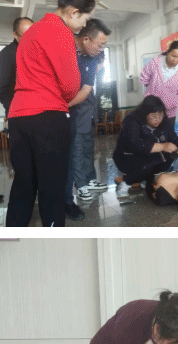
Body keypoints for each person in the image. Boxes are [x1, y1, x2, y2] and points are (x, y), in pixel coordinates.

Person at [6, 0, 95, 227]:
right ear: (74, 12)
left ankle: (11, 236)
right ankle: (54, 239)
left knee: (23, 185)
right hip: (47, 116)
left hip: (18, 116)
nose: (83, 25)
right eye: (85, 19)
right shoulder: (61, 31)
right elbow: (70, 86)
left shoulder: (32, 31)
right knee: (52, 188)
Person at [65, 18, 110, 222]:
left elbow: (86, 91)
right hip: (74, 114)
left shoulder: (91, 61)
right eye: (99, 45)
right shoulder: (68, 52)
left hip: (87, 112)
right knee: (76, 150)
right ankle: (81, 185)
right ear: (86, 39)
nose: (101, 50)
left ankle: (90, 180)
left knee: (87, 148)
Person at [112, 95, 178, 196]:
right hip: (127, 157)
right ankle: (126, 183)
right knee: (147, 162)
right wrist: (163, 146)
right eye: (153, 116)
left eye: (160, 115)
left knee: (169, 154)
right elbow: (136, 145)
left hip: (150, 155)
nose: (158, 120)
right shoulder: (131, 120)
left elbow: (174, 138)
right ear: (144, 113)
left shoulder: (164, 120)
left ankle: (148, 179)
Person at [140, 40, 178, 128]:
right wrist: (153, 89)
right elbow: (145, 77)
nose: (175, 60)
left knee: (167, 134)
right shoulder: (156, 62)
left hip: (169, 111)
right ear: (168, 52)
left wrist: (169, 94)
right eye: (173, 56)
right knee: (150, 134)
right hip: (151, 109)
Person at [0, 17, 33, 116]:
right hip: (17, 112)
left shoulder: (34, 51)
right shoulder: (7, 54)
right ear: (15, 35)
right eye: (26, 36)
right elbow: (1, 87)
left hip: (36, 109)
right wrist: (12, 108)